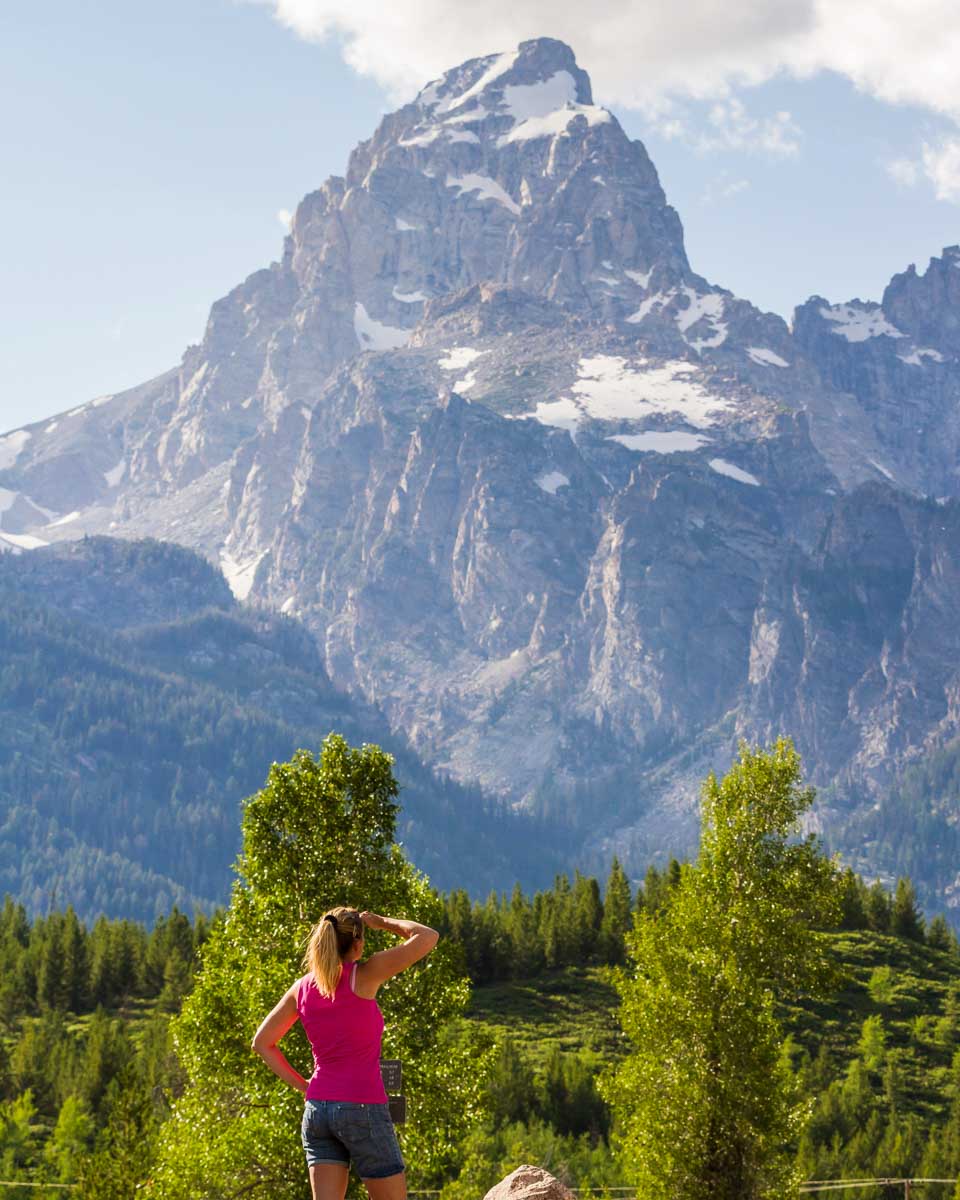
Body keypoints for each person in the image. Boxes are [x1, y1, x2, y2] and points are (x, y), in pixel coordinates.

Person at [252, 907, 439, 1200]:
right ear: (358, 943)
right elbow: (427, 936)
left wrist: (305, 1086)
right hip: (362, 1106)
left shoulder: (301, 988)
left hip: (318, 1111)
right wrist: (381, 922)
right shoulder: (364, 975)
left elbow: (262, 1043)